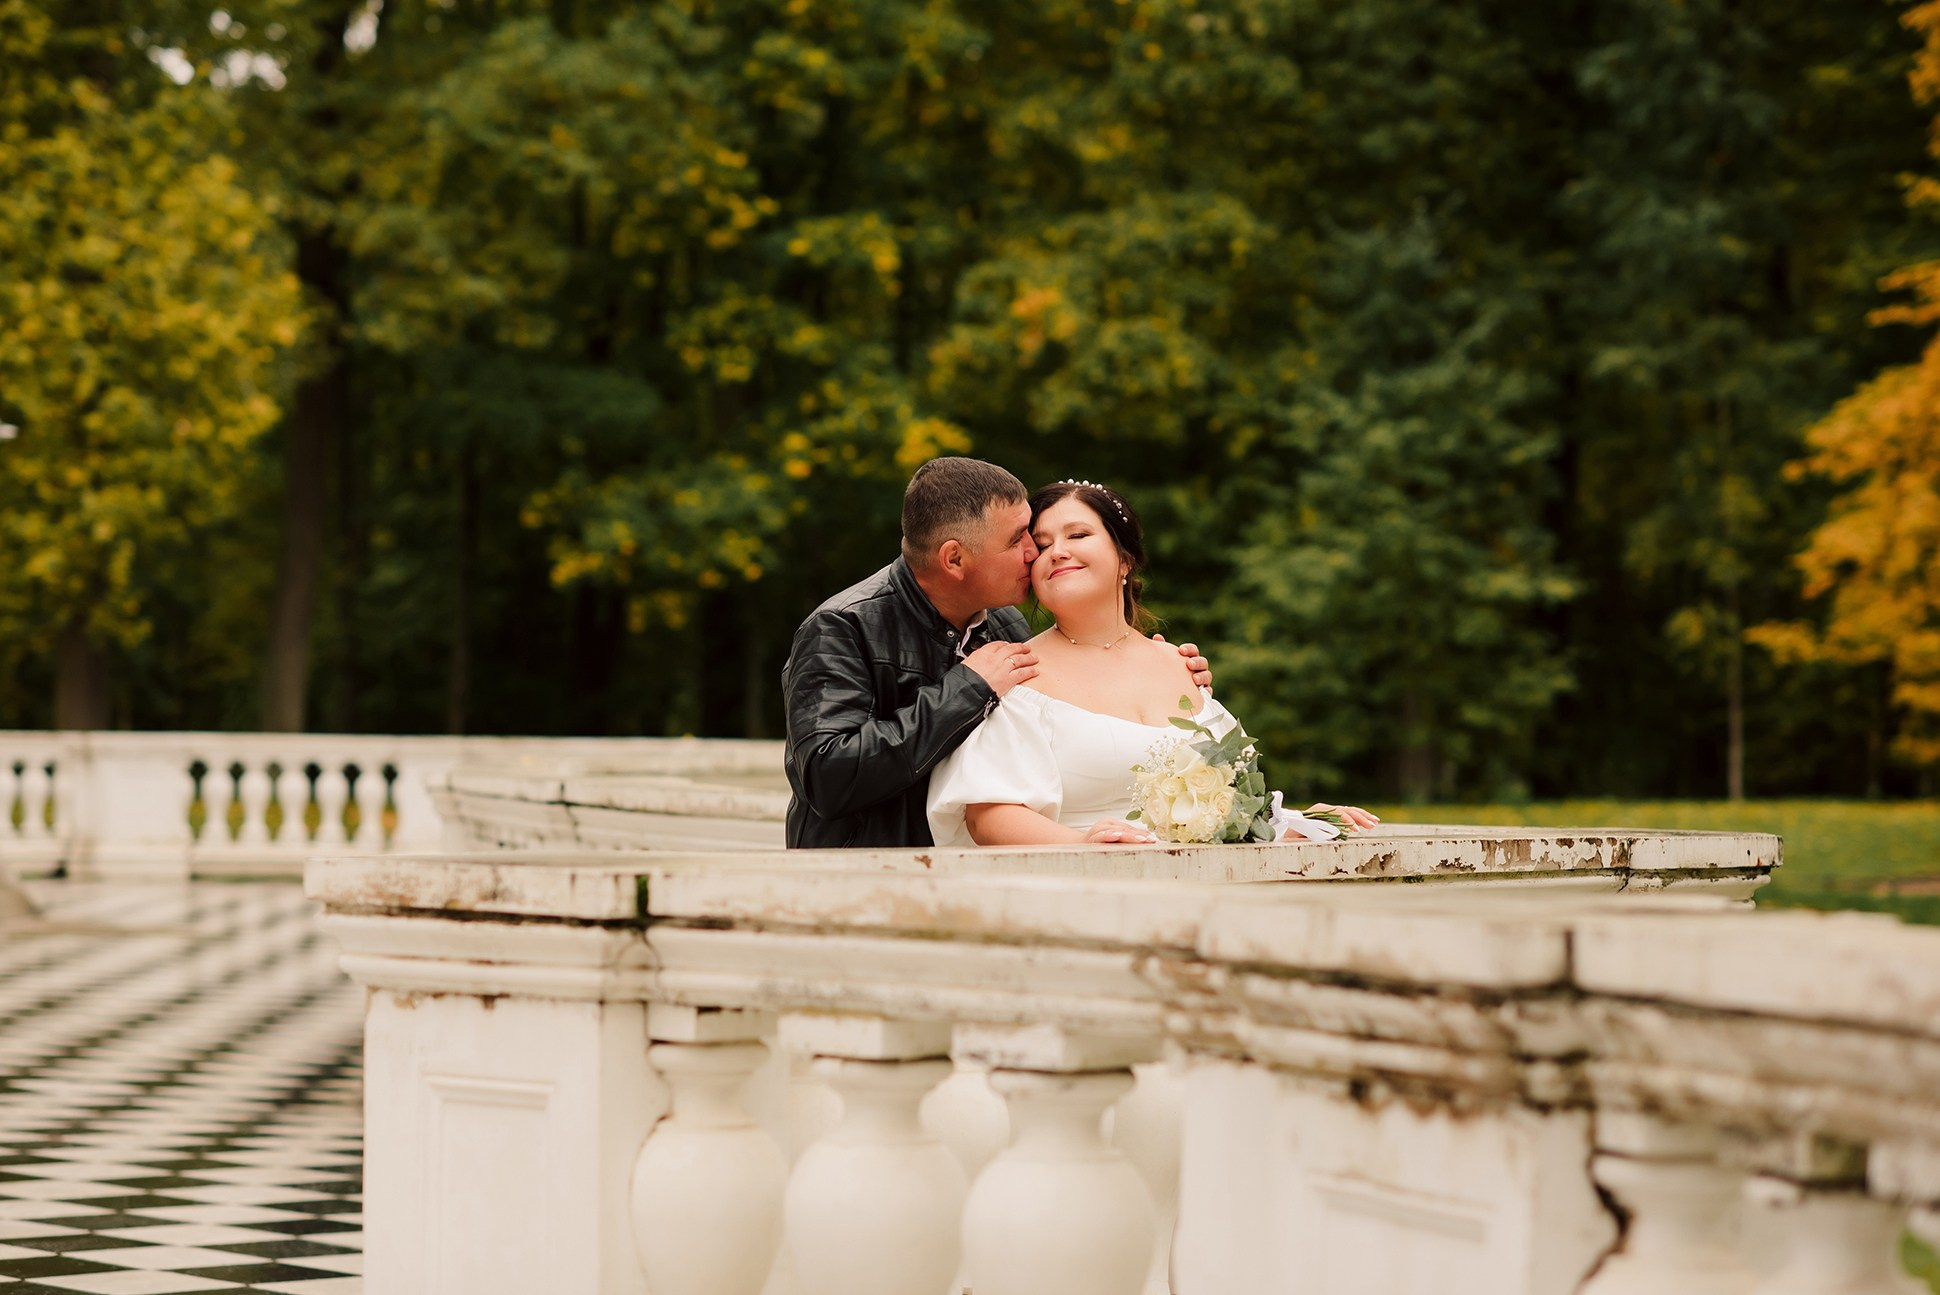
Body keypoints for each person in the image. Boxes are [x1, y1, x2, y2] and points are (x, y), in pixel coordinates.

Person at [782, 458, 1211, 849]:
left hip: (963, 878)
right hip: (861, 876)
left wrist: (1155, 674)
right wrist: (968, 689)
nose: (1034, 552)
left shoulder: (1005, 625)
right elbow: (827, 776)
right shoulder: (842, 626)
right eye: (1018, 540)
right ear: (954, 559)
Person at [927, 479, 1378, 846]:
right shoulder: (1018, 673)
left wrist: (1295, 821)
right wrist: (1080, 845)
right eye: (1041, 546)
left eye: (1078, 535)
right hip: (1077, 889)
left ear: (1124, 559)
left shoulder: (1181, 663)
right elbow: (988, 815)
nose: (1056, 551)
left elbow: (1225, 803)